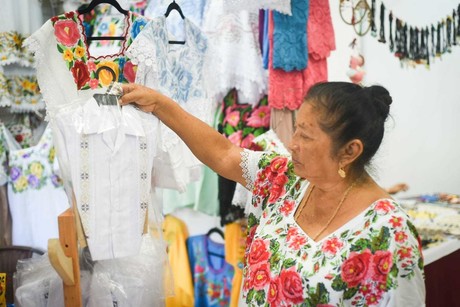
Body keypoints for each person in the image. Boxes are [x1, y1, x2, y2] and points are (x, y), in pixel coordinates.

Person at [120, 81, 425, 306]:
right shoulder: (284, 178)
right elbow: (224, 154)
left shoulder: (389, 233)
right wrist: (160, 105)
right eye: (296, 130)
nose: (292, 143)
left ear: (349, 151)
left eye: (305, 136)